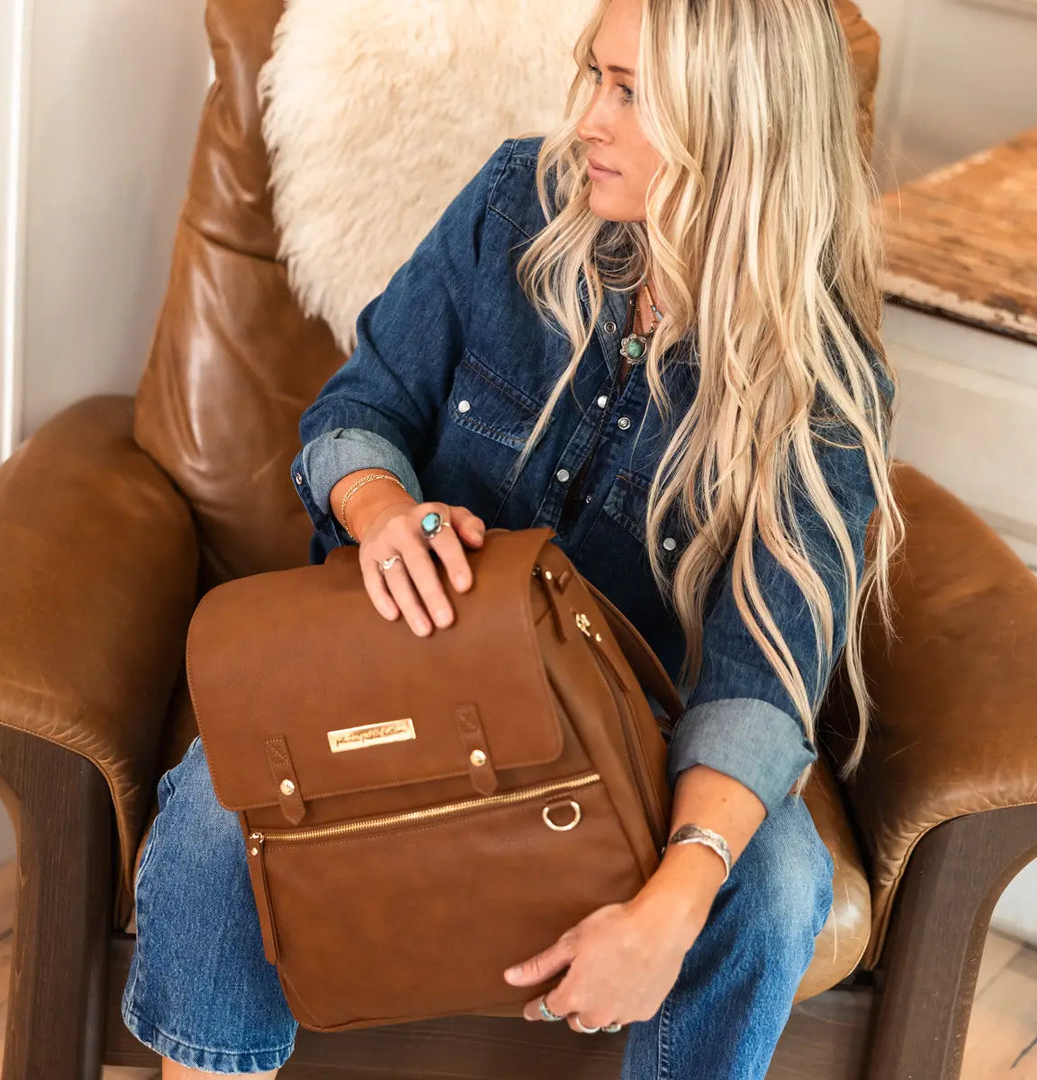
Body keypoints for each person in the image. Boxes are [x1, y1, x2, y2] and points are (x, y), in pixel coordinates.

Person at [121, 0, 905, 1075]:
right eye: (595, 75)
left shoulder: (821, 388)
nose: (588, 118)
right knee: (224, 805)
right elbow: (358, 411)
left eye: (631, 91)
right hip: (404, 666)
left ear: (738, 121)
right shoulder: (513, 203)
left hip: (635, 734)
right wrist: (382, 511)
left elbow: (760, 679)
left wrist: (669, 909)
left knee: (771, 882)